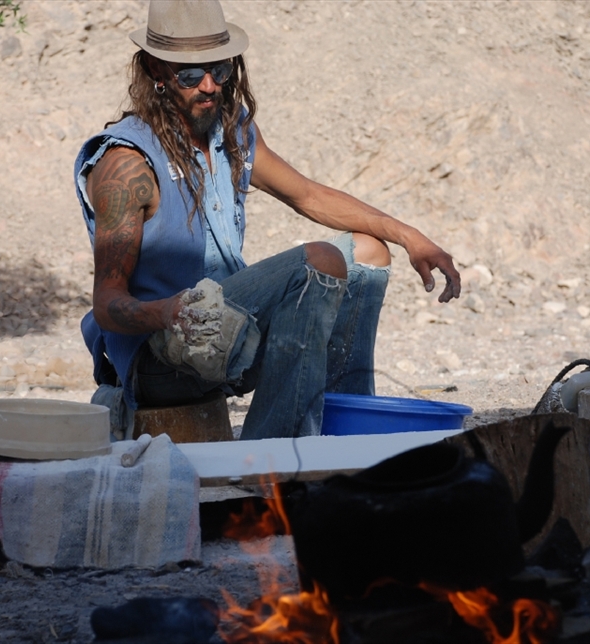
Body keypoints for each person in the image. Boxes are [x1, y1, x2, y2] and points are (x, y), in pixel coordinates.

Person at [75, 0, 461, 440]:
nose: (209, 86)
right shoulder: (126, 166)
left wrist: (410, 236)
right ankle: (274, 455)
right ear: (156, 71)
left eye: (219, 70)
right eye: (190, 75)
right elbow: (107, 304)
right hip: (160, 359)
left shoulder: (231, 132)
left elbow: (307, 195)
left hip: (227, 335)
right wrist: (167, 312)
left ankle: (346, 432)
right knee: (318, 262)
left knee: (369, 252)